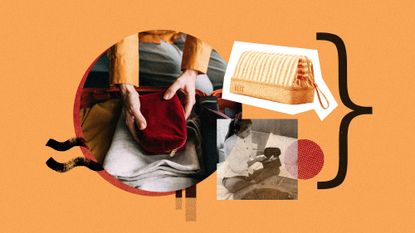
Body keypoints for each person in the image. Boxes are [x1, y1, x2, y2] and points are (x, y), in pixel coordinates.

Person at [103, 30, 226, 133]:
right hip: (138, 37)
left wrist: (192, 71)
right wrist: (126, 87)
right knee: (203, 88)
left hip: (178, 32)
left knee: (229, 74)